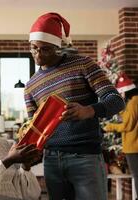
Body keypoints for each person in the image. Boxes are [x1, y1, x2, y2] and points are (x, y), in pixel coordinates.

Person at [24, 12, 125, 200]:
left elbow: (116, 101)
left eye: (45, 49)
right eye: (33, 48)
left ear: (57, 47)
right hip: (51, 161)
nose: (37, 54)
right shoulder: (30, 86)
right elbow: (34, 127)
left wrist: (88, 110)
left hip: (85, 157)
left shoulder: (83, 64)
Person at [104, 73, 138, 197]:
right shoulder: (133, 102)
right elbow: (128, 118)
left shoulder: (134, 102)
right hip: (133, 145)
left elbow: (127, 125)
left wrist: (109, 127)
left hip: (133, 146)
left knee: (137, 175)